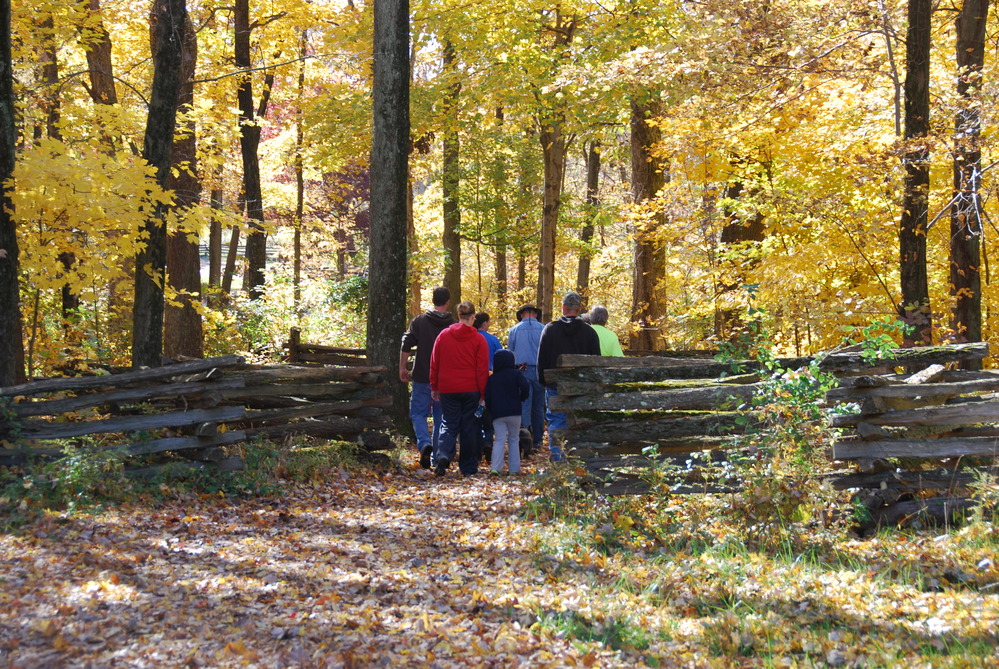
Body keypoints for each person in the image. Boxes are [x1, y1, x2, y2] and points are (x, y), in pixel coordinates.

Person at [537, 291, 601, 461]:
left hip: (555, 385)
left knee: (557, 421)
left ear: (563, 307)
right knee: (580, 422)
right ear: (579, 309)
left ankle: (559, 462)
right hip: (581, 387)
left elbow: (541, 359)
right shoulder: (589, 332)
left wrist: (543, 381)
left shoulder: (550, 330)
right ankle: (579, 461)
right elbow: (596, 362)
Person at [429, 301, 490, 477]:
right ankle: (468, 467)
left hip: (448, 387)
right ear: (473, 318)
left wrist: (434, 385)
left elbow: (435, 362)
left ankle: (442, 455)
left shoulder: (443, 336)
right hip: (471, 388)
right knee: (469, 427)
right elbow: (481, 369)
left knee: (448, 423)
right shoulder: (479, 339)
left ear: (458, 316)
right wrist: (483, 393)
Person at [400, 287, 455, 469]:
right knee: (442, 417)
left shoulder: (420, 321)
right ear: (447, 302)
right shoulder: (453, 325)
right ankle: (438, 455)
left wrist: (402, 367)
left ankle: (424, 444)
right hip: (445, 379)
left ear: (433, 300)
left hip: (422, 375)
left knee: (417, 414)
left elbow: (406, 343)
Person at [506, 303, 545, 454]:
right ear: (535, 314)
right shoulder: (543, 329)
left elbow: (510, 352)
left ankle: (524, 437)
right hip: (539, 371)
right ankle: (538, 440)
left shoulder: (514, 330)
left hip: (521, 370)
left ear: (522, 314)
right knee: (538, 407)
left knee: (525, 406)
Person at [485, 349, 530, 475]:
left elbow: (487, 396)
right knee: (514, 439)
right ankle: (514, 469)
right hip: (514, 411)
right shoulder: (516, 374)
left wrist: (490, 409)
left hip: (498, 413)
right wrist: (522, 398)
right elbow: (525, 386)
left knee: (499, 439)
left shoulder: (492, 378)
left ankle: (496, 468)